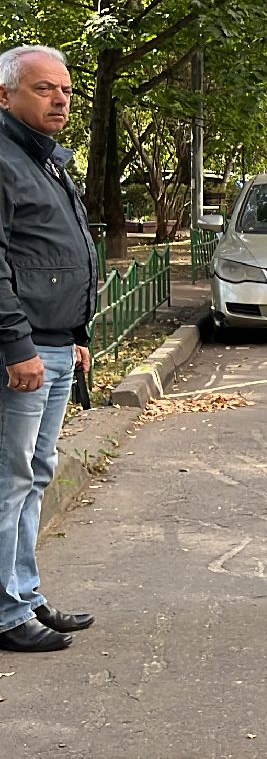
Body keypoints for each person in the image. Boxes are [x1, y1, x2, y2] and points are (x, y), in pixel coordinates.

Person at [0, 45, 98, 654]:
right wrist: (18, 345)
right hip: (23, 353)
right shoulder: (4, 160)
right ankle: (6, 613)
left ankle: (24, 593)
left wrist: (77, 335)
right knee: (9, 480)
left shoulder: (47, 159)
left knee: (34, 476)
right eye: (43, 89)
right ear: (4, 95)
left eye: (64, 89)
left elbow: (58, 251)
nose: (60, 99)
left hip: (55, 346)